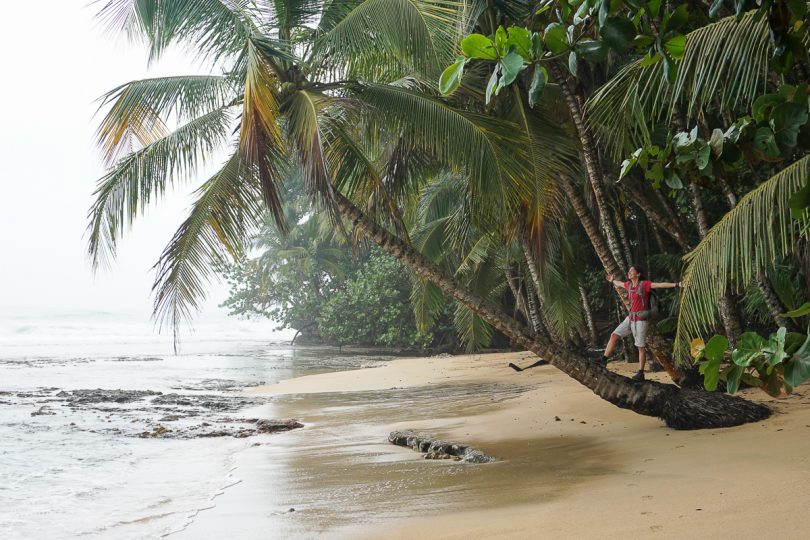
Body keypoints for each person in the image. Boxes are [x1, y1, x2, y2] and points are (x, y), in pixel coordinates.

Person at [601, 266, 682, 381]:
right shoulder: (628, 285)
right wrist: (612, 280)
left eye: (631, 271)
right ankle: (603, 360)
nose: (629, 272)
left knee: (640, 347)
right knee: (614, 335)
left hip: (641, 321)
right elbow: (619, 284)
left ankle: (640, 372)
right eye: (628, 271)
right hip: (630, 318)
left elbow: (659, 285)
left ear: (638, 274)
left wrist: (677, 285)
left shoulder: (644, 285)